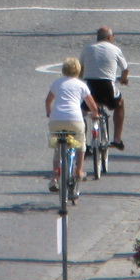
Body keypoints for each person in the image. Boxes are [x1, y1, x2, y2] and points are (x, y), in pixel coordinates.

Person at [44, 56, 99, 193]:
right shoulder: (81, 85)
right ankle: (79, 171)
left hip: (56, 119)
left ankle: (55, 176)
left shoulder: (57, 83)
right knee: (81, 143)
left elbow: (48, 101)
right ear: (78, 70)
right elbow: (92, 105)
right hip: (75, 119)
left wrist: (50, 113)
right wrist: (95, 115)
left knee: (57, 147)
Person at [80, 27, 129, 149]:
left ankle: (83, 143)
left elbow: (81, 69)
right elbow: (125, 69)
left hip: (90, 87)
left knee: (83, 111)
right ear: (110, 37)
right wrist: (123, 79)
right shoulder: (115, 49)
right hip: (107, 87)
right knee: (120, 104)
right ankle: (117, 139)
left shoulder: (87, 49)